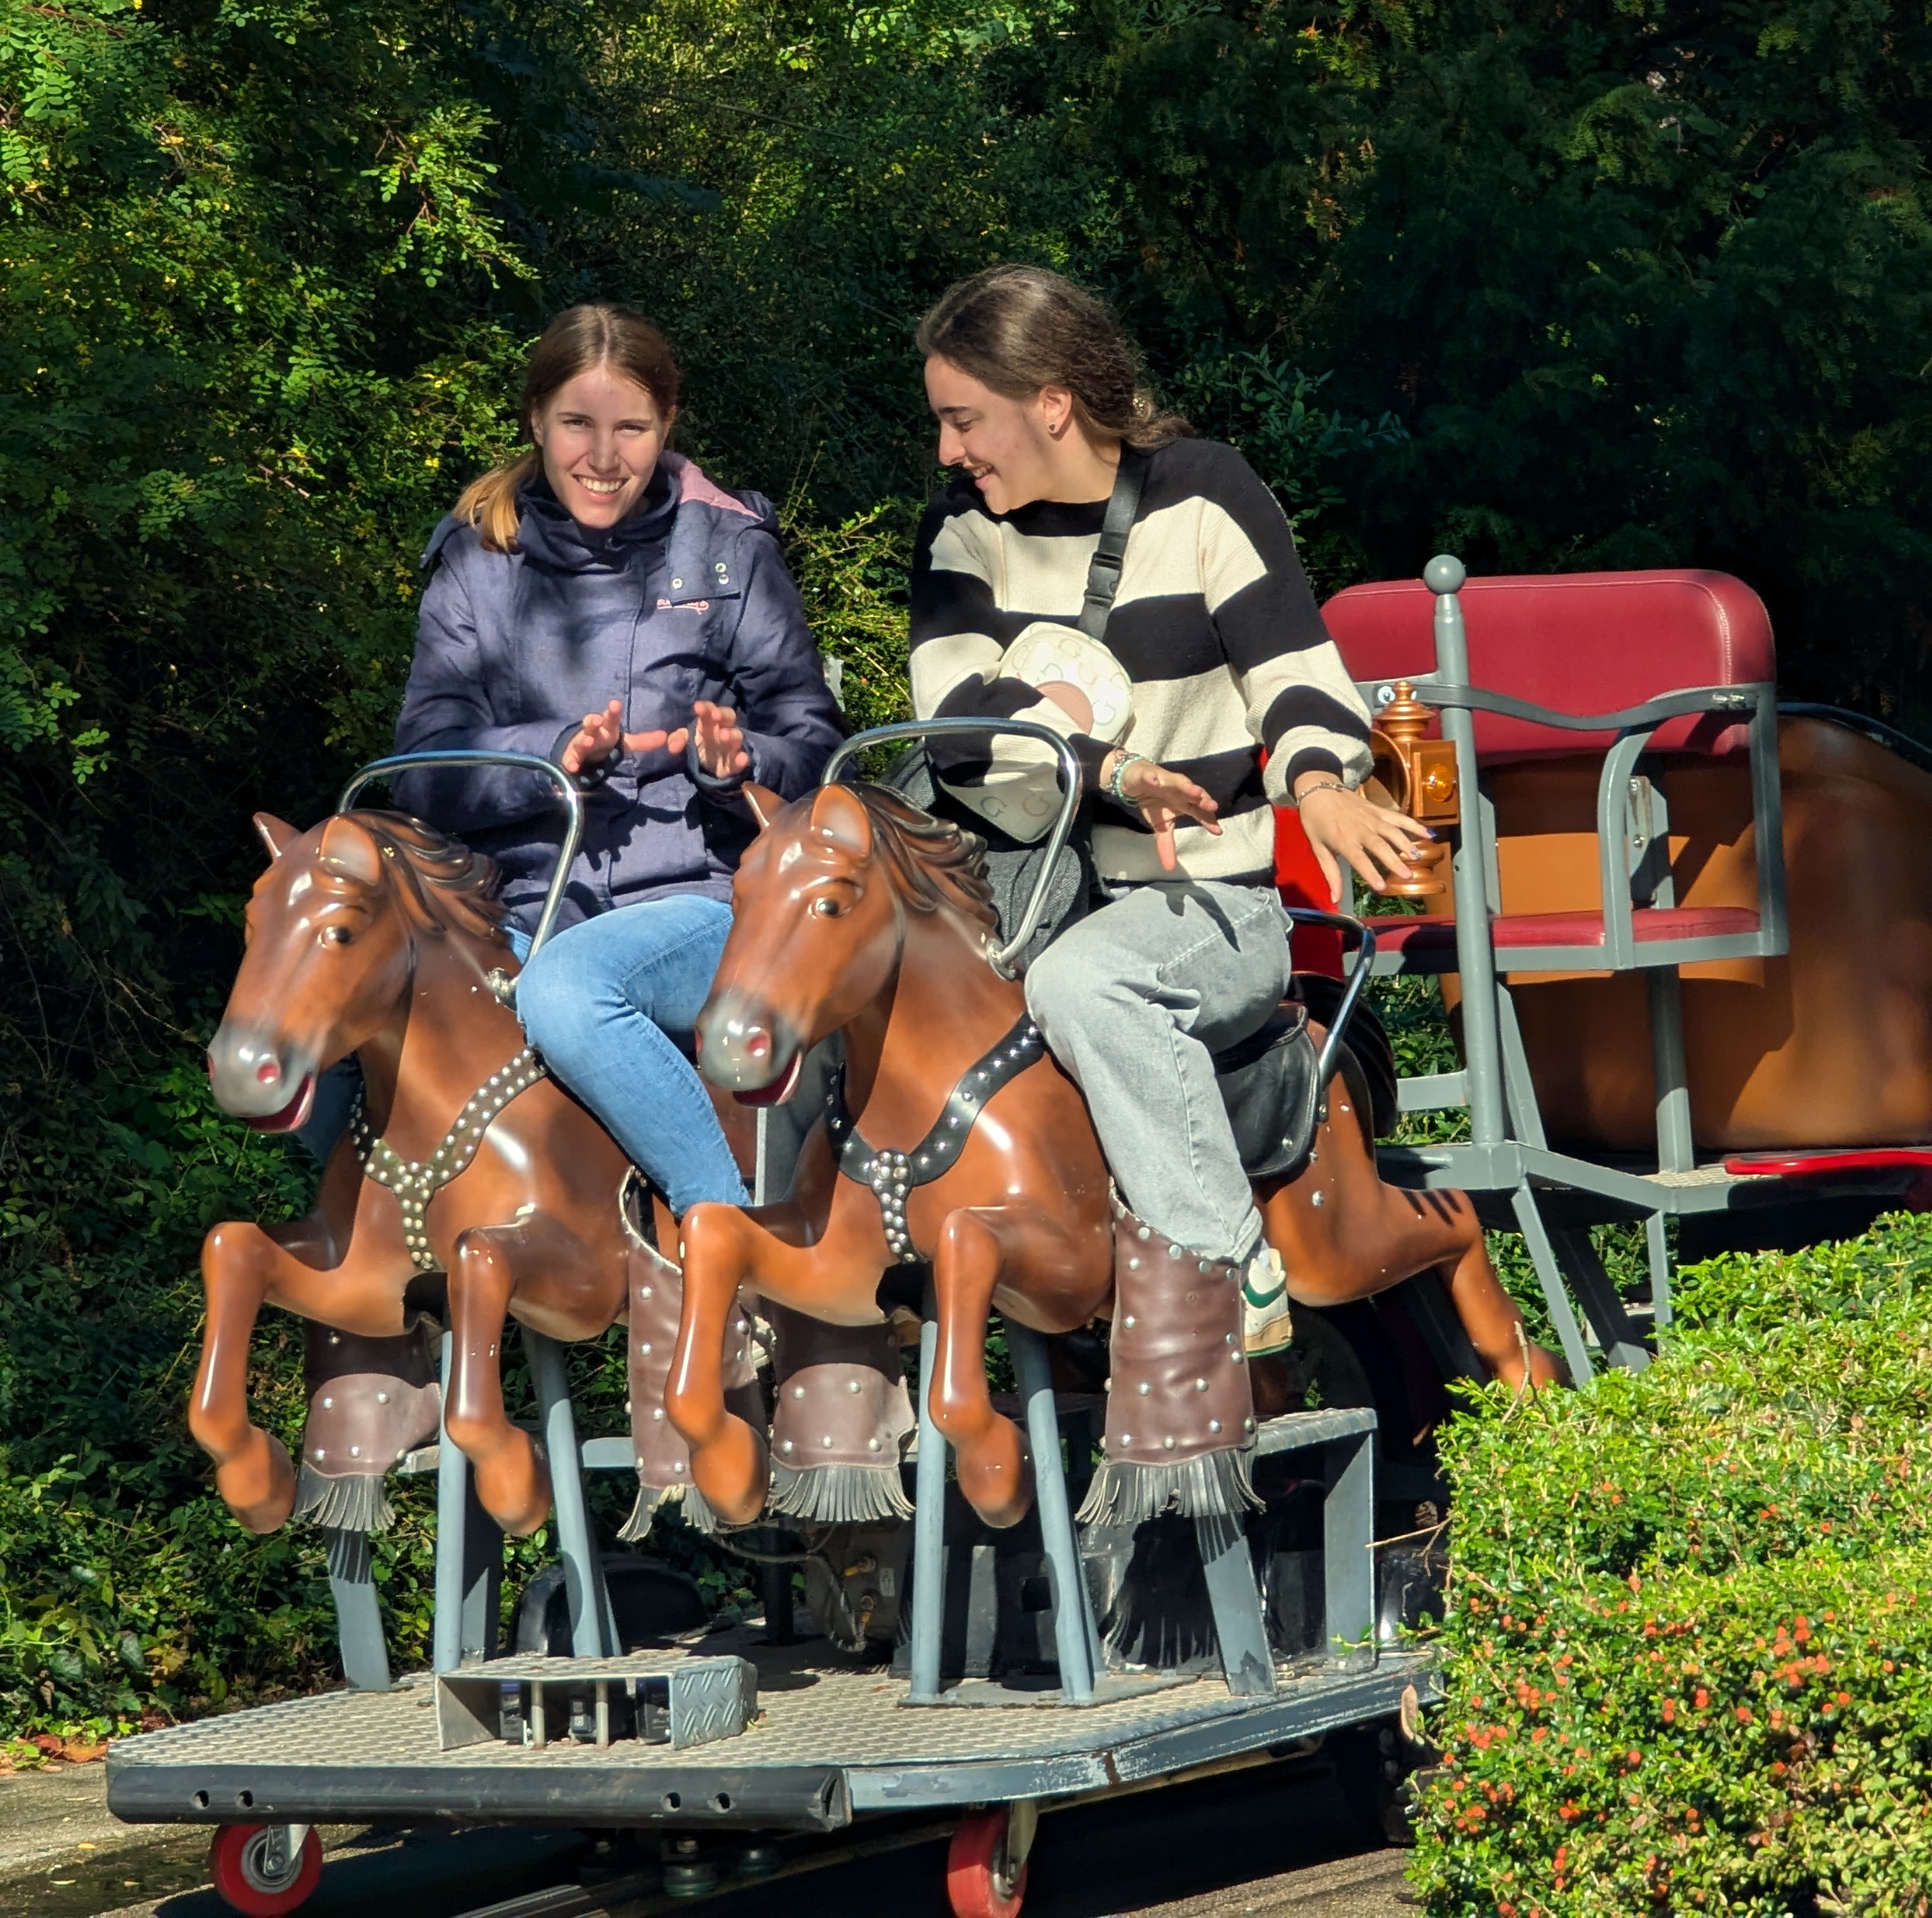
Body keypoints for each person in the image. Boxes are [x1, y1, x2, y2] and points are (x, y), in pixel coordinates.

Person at [908, 264, 1431, 1349]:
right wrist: (1108, 771)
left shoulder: (1205, 493)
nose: (948, 451)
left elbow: (1295, 676)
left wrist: (1321, 787)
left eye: (965, 420)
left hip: (1212, 904)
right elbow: (956, 730)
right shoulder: (960, 530)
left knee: (1085, 981)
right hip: (1021, 905)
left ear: (1052, 403)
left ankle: (1226, 1272)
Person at [378, 302, 844, 1213]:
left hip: (707, 903)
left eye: (630, 427)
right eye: (576, 425)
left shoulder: (731, 551)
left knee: (570, 991)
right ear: (536, 421)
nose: (603, 456)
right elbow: (424, 769)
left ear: (667, 423)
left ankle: (723, 1233)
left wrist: (735, 764)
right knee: (353, 982)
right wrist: (554, 755)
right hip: (513, 907)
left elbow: (820, 750)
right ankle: (373, 1286)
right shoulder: (476, 559)